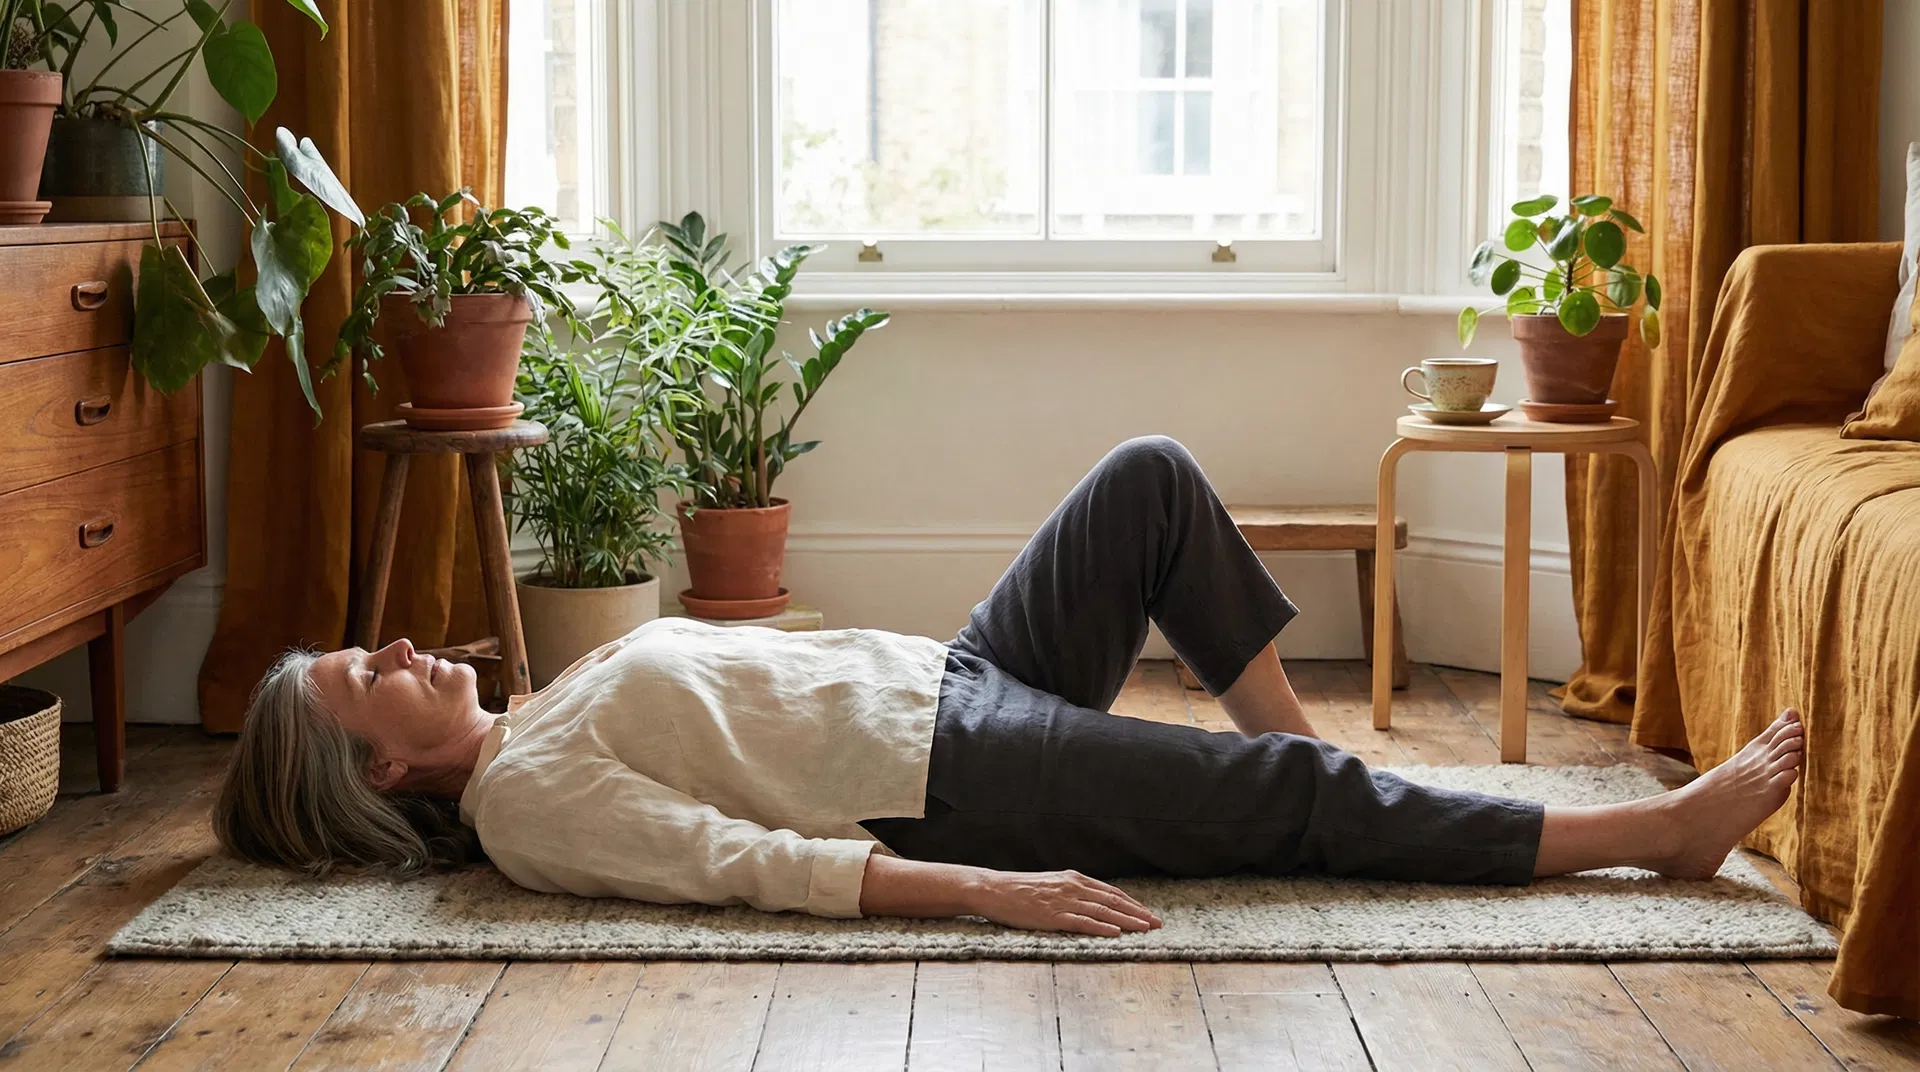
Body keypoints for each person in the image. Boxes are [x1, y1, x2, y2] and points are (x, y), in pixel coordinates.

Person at [214, 436, 1804, 936]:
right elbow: (748, 866)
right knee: (1271, 798)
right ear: (383, 775)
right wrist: (988, 890)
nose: (400, 646)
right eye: (370, 677)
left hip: (956, 687)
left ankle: (1315, 790)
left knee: (1148, 483)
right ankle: (1643, 839)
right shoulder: (527, 804)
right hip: (952, 780)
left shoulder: (545, 707)